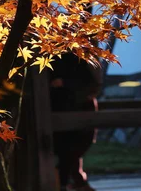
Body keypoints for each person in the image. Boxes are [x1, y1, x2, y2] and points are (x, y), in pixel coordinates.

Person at [50, 52, 102, 191]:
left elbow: (90, 83)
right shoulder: (66, 57)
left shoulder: (76, 57)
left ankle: (71, 182)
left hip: (76, 107)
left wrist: (65, 83)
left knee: (72, 149)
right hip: (62, 107)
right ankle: (69, 182)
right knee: (66, 150)